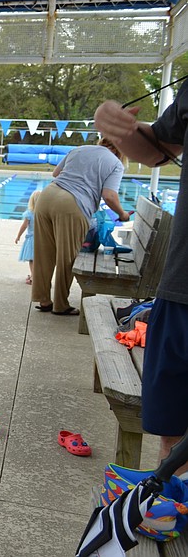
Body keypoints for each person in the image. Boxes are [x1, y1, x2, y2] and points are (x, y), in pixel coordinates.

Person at [95, 91, 188, 476]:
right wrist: (118, 127)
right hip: (179, 288)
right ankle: (174, 502)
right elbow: (156, 150)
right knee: (171, 437)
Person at [30, 139, 131, 316]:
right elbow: (109, 196)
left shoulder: (79, 149)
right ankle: (61, 305)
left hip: (46, 197)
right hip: (72, 204)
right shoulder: (115, 163)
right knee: (67, 257)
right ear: (120, 150)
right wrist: (122, 214)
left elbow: (56, 173)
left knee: (43, 253)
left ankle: (43, 299)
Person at [15, 190, 40, 285]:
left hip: (31, 239)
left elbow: (24, 226)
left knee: (32, 259)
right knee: (38, 260)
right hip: (41, 239)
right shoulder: (43, 213)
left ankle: (33, 277)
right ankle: (37, 276)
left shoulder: (29, 213)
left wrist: (18, 236)